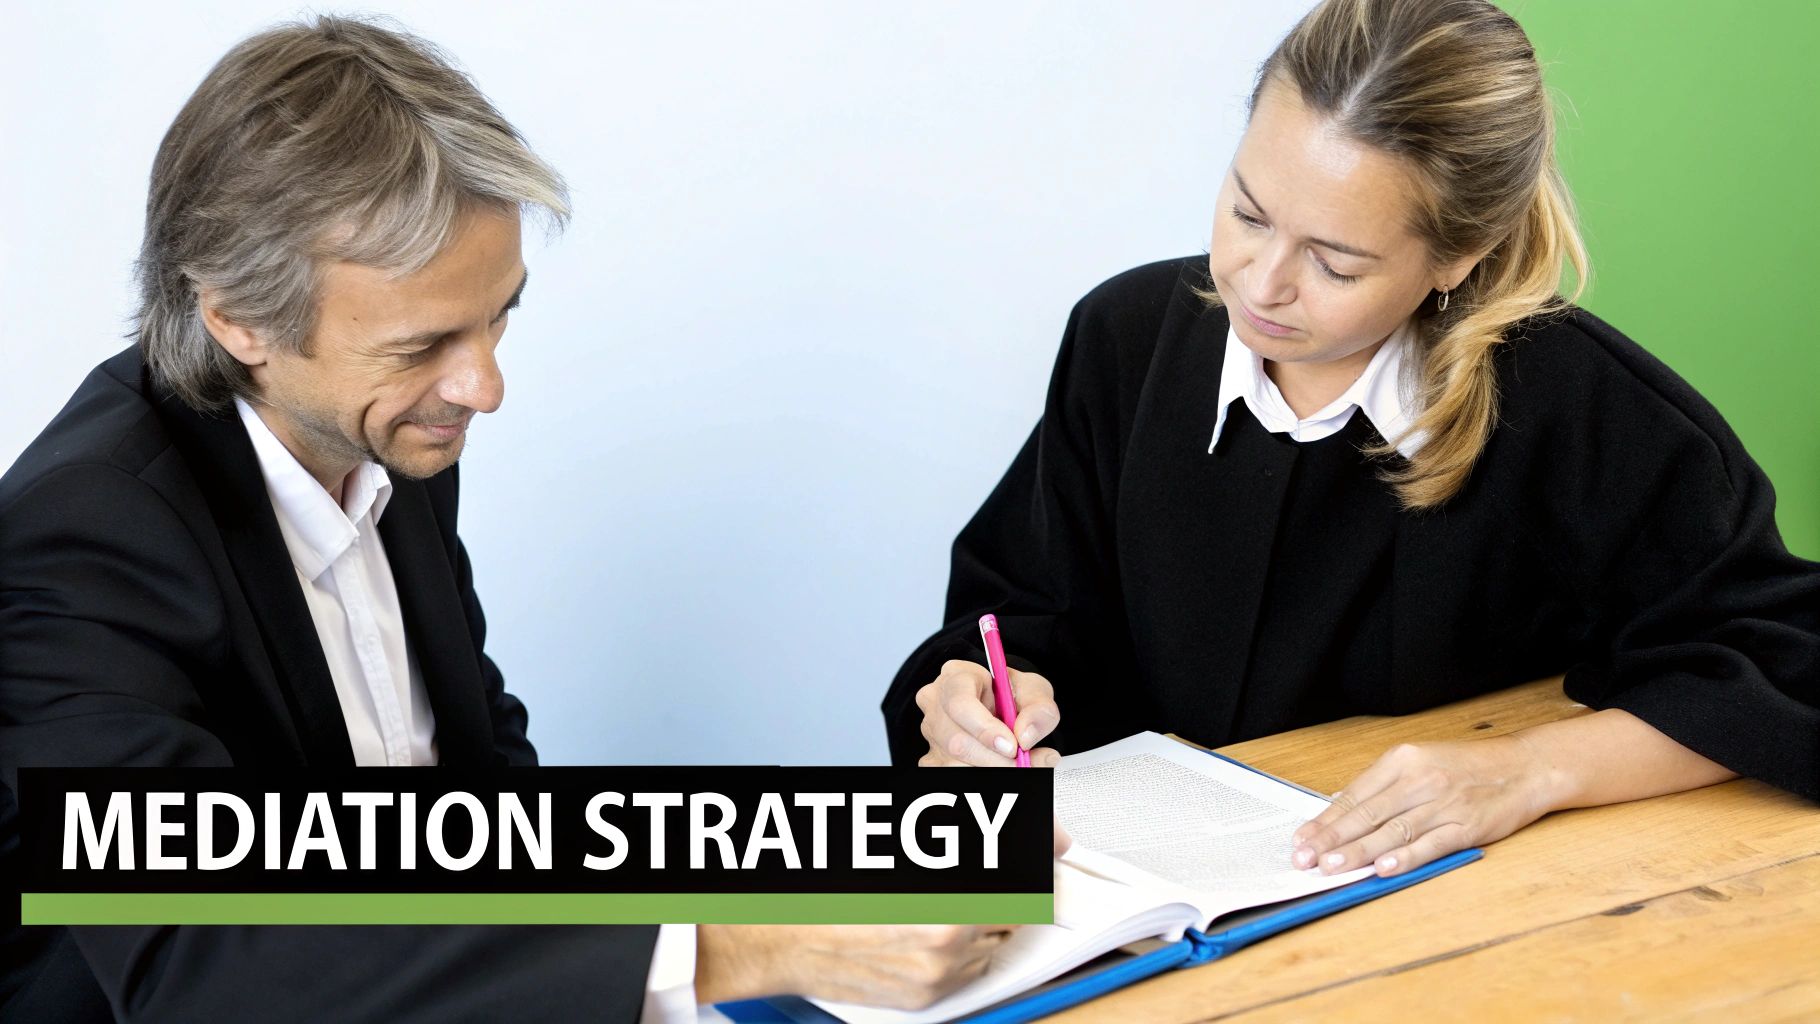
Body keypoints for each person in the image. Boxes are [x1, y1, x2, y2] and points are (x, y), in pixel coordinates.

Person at [0, 17, 1011, 1023]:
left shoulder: (388, 435)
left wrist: (869, 847)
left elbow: (479, 799)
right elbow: (195, 957)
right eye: (422, 344)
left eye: (500, 315)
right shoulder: (80, 538)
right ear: (237, 318)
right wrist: (728, 947)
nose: (483, 387)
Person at [889, 0, 1820, 884]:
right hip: (1142, 902)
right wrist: (975, 698)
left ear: (1460, 255)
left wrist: (1533, 770)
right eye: (1248, 212)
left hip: (1440, 924)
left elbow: (1784, 662)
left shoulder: (1588, 414)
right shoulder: (1124, 337)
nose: (1263, 283)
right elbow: (1025, 608)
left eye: (1336, 262)